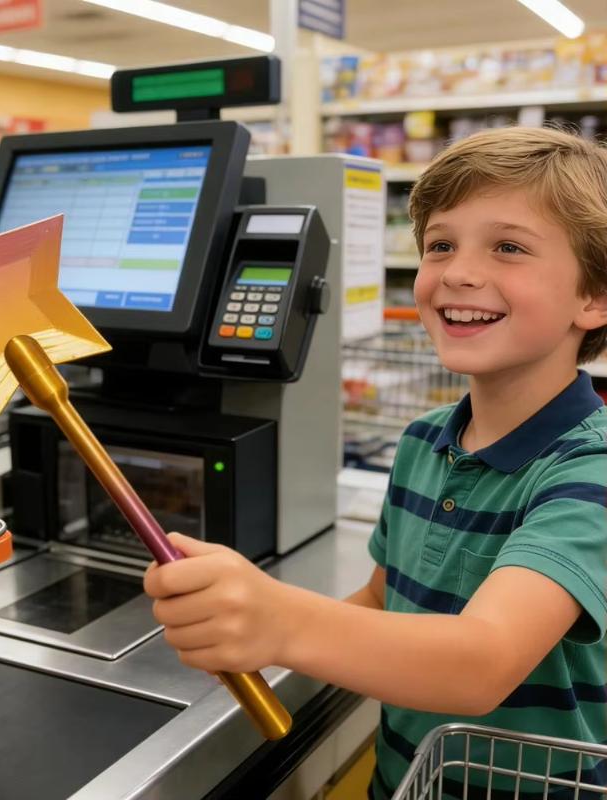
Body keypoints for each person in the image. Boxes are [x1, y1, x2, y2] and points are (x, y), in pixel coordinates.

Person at [144, 127, 607, 798]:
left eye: (508, 247)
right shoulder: (422, 442)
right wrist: (246, 624)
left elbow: (483, 662)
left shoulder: (590, 471)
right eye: (440, 245)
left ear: (594, 296)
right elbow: (379, 600)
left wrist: (280, 621)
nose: (458, 272)